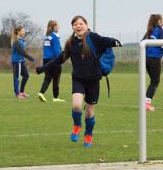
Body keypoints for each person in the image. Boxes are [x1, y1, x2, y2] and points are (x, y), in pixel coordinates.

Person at [36, 16, 121, 147]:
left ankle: (88, 135)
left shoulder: (92, 37)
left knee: (89, 112)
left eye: (81, 23)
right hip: (78, 79)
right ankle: (77, 125)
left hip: (93, 80)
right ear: (73, 27)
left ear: (86, 25)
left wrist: (114, 41)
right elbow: (60, 59)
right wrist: (43, 68)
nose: (78, 26)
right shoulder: (71, 43)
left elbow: (104, 41)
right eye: (75, 24)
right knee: (76, 105)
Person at [37, 20, 65, 103]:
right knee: (56, 78)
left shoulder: (47, 36)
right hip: (54, 60)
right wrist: (61, 59)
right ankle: (55, 97)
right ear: (54, 27)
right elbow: (57, 51)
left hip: (46, 59)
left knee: (47, 78)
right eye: (57, 26)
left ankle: (41, 93)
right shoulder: (55, 37)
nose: (59, 27)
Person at [143, 14, 163, 111]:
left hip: (145, 58)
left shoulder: (149, 31)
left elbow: (142, 42)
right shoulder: (160, 30)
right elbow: (159, 42)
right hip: (154, 58)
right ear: (159, 21)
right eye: (162, 19)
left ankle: (145, 103)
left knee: (153, 80)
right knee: (155, 81)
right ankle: (146, 104)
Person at [11, 26, 35, 98]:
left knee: (26, 76)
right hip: (17, 61)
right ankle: (17, 94)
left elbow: (23, 51)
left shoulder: (22, 40)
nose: (24, 32)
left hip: (21, 61)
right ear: (18, 32)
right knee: (17, 78)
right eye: (23, 31)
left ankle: (21, 92)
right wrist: (30, 58)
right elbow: (21, 51)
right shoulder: (16, 41)